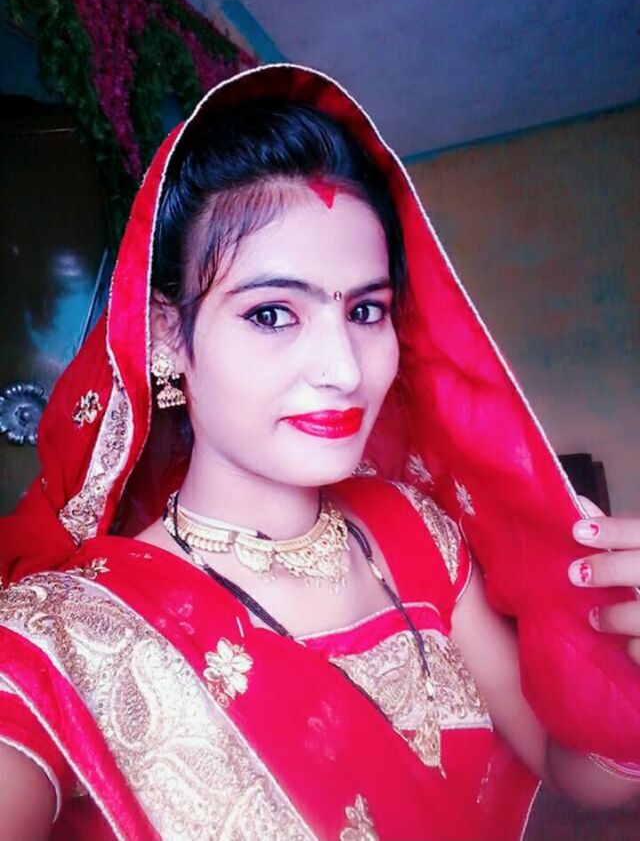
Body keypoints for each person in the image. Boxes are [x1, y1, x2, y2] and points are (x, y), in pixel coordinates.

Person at [0, 64, 638, 841]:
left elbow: (568, 765)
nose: (343, 369)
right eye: (273, 313)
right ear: (166, 334)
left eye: (366, 310)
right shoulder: (67, 636)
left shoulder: (418, 533)